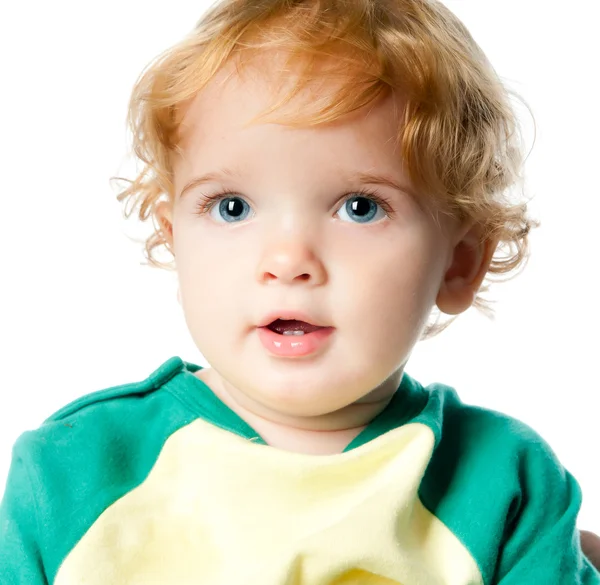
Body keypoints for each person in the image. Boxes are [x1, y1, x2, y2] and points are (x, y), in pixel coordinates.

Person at [1, 0, 598, 583]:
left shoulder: (502, 487)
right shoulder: (73, 475)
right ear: (173, 236)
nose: (288, 261)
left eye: (360, 208)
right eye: (232, 207)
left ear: (459, 264)